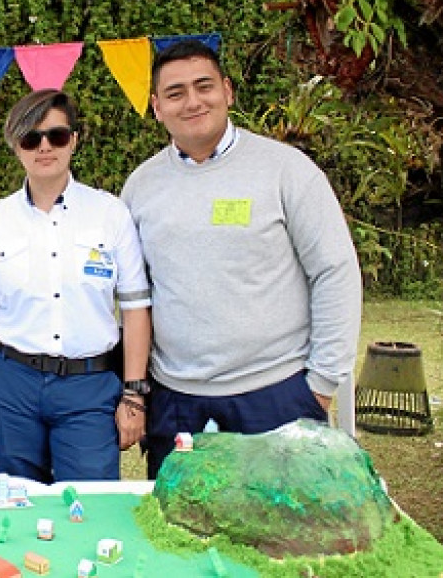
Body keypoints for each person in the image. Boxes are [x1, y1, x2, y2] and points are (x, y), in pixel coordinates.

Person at [121, 39, 363, 479]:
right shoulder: (140, 186)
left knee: (282, 535)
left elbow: (335, 271)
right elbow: (134, 295)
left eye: (204, 86)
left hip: (276, 394)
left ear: (228, 91)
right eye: (175, 93)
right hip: (176, 400)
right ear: (156, 106)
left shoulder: (287, 171)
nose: (192, 101)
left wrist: (321, 386)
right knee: (181, 536)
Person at [0, 89, 152, 484]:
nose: (44, 147)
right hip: (12, 384)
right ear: (16, 146)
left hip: (89, 385)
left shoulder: (110, 214)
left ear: (74, 140)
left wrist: (133, 395)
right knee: (15, 498)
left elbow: (135, 310)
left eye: (56, 136)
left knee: (92, 504)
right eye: (31, 137)